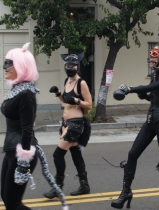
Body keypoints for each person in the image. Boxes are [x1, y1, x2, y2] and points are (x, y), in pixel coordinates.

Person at [112, 43, 159, 210]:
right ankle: (126, 192)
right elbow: (153, 96)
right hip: (151, 120)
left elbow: (151, 88)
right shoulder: (156, 75)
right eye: (151, 54)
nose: (151, 57)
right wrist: (144, 96)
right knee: (133, 153)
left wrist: (130, 89)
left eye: (155, 55)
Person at [43, 53, 92, 199]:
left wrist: (77, 101)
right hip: (66, 124)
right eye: (68, 65)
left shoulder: (81, 83)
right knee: (76, 154)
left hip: (76, 124)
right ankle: (84, 185)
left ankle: (58, 187)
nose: (70, 67)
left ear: (78, 66)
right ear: (65, 66)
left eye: (73, 65)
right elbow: (66, 101)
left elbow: (89, 105)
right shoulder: (67, 81)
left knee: (57, 154)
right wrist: (58, 93)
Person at [1, 43, 39, 210]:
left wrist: (23, 162)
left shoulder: (25, 94)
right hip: (11, 150)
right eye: (5, 62)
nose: (5, 67)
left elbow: (27, 129)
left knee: (13, 203)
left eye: (10, 63)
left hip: (21, 152)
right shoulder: (17, 90)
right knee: (7, 198)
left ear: (22, 67)